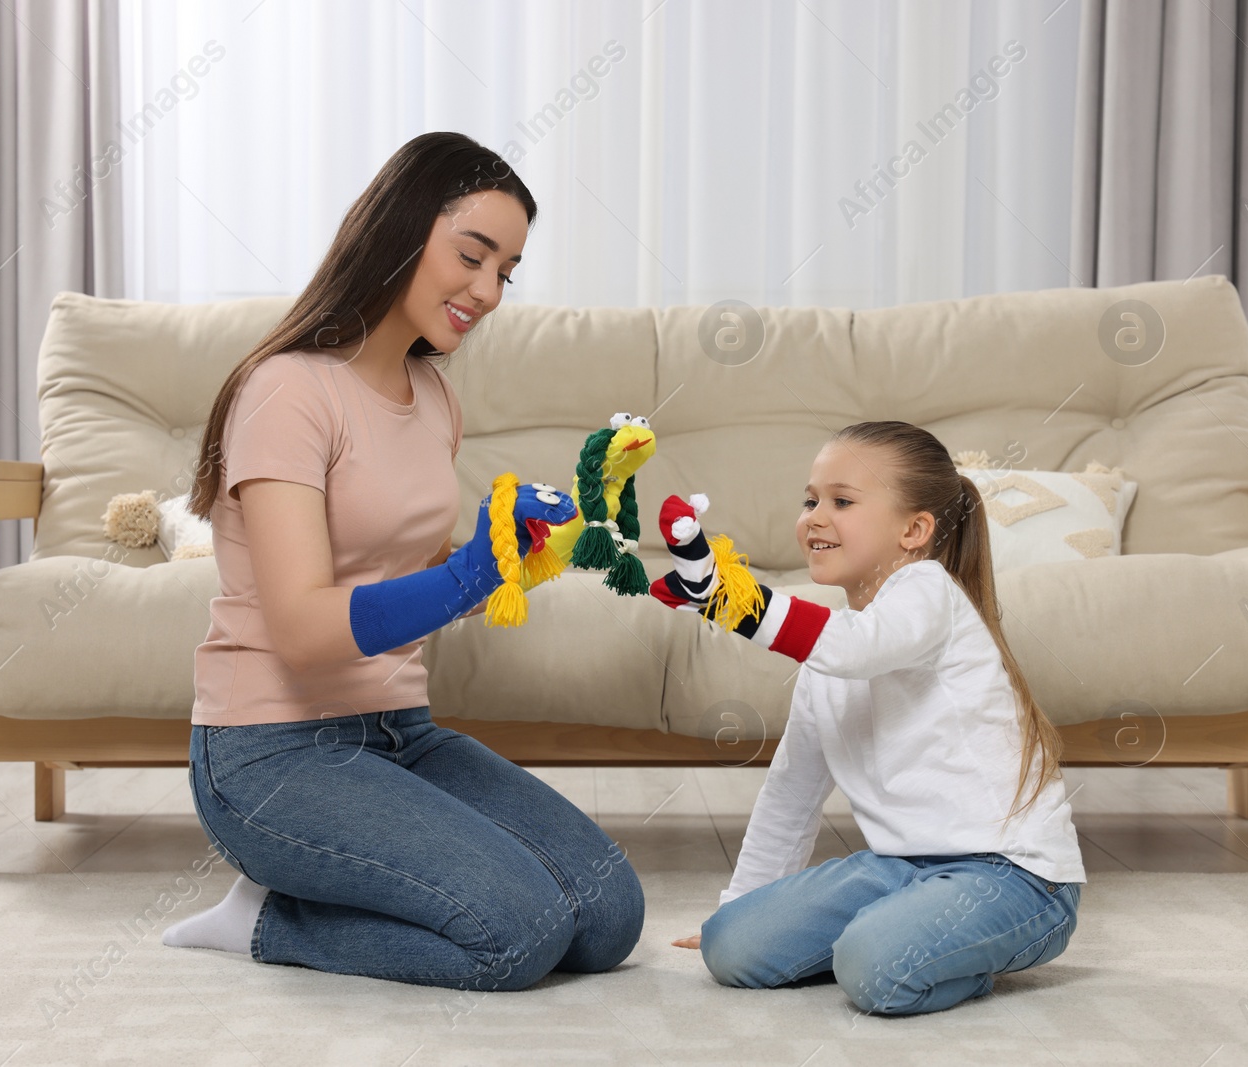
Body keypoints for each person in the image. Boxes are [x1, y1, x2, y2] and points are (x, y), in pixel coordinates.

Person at [161, 132, 645, 991]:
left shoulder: (434, 398)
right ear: (400, 228)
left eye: (508, 270)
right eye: (473, 255)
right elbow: (308, 631)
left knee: (608, 915)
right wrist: (468, 576)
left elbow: (410, 589)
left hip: (399, 733)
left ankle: (359, 883)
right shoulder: (287, 390)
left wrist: (513, 558)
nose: (489, 291)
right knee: (519, 935)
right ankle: (266, 918)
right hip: (271, 754)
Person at [649, 420, 1084, 1015]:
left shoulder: (929, 593)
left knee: (874, 971)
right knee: (731, 948)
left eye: (842, 501)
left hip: (1014, 878)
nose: (815, 516)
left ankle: (941, 951)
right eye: (811, 500)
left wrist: (727, 594)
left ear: (914, 530)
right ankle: (905, 933)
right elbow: (791, 792)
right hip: (899, 867)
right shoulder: (827, 659)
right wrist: (741, 904)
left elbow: (860, 648)